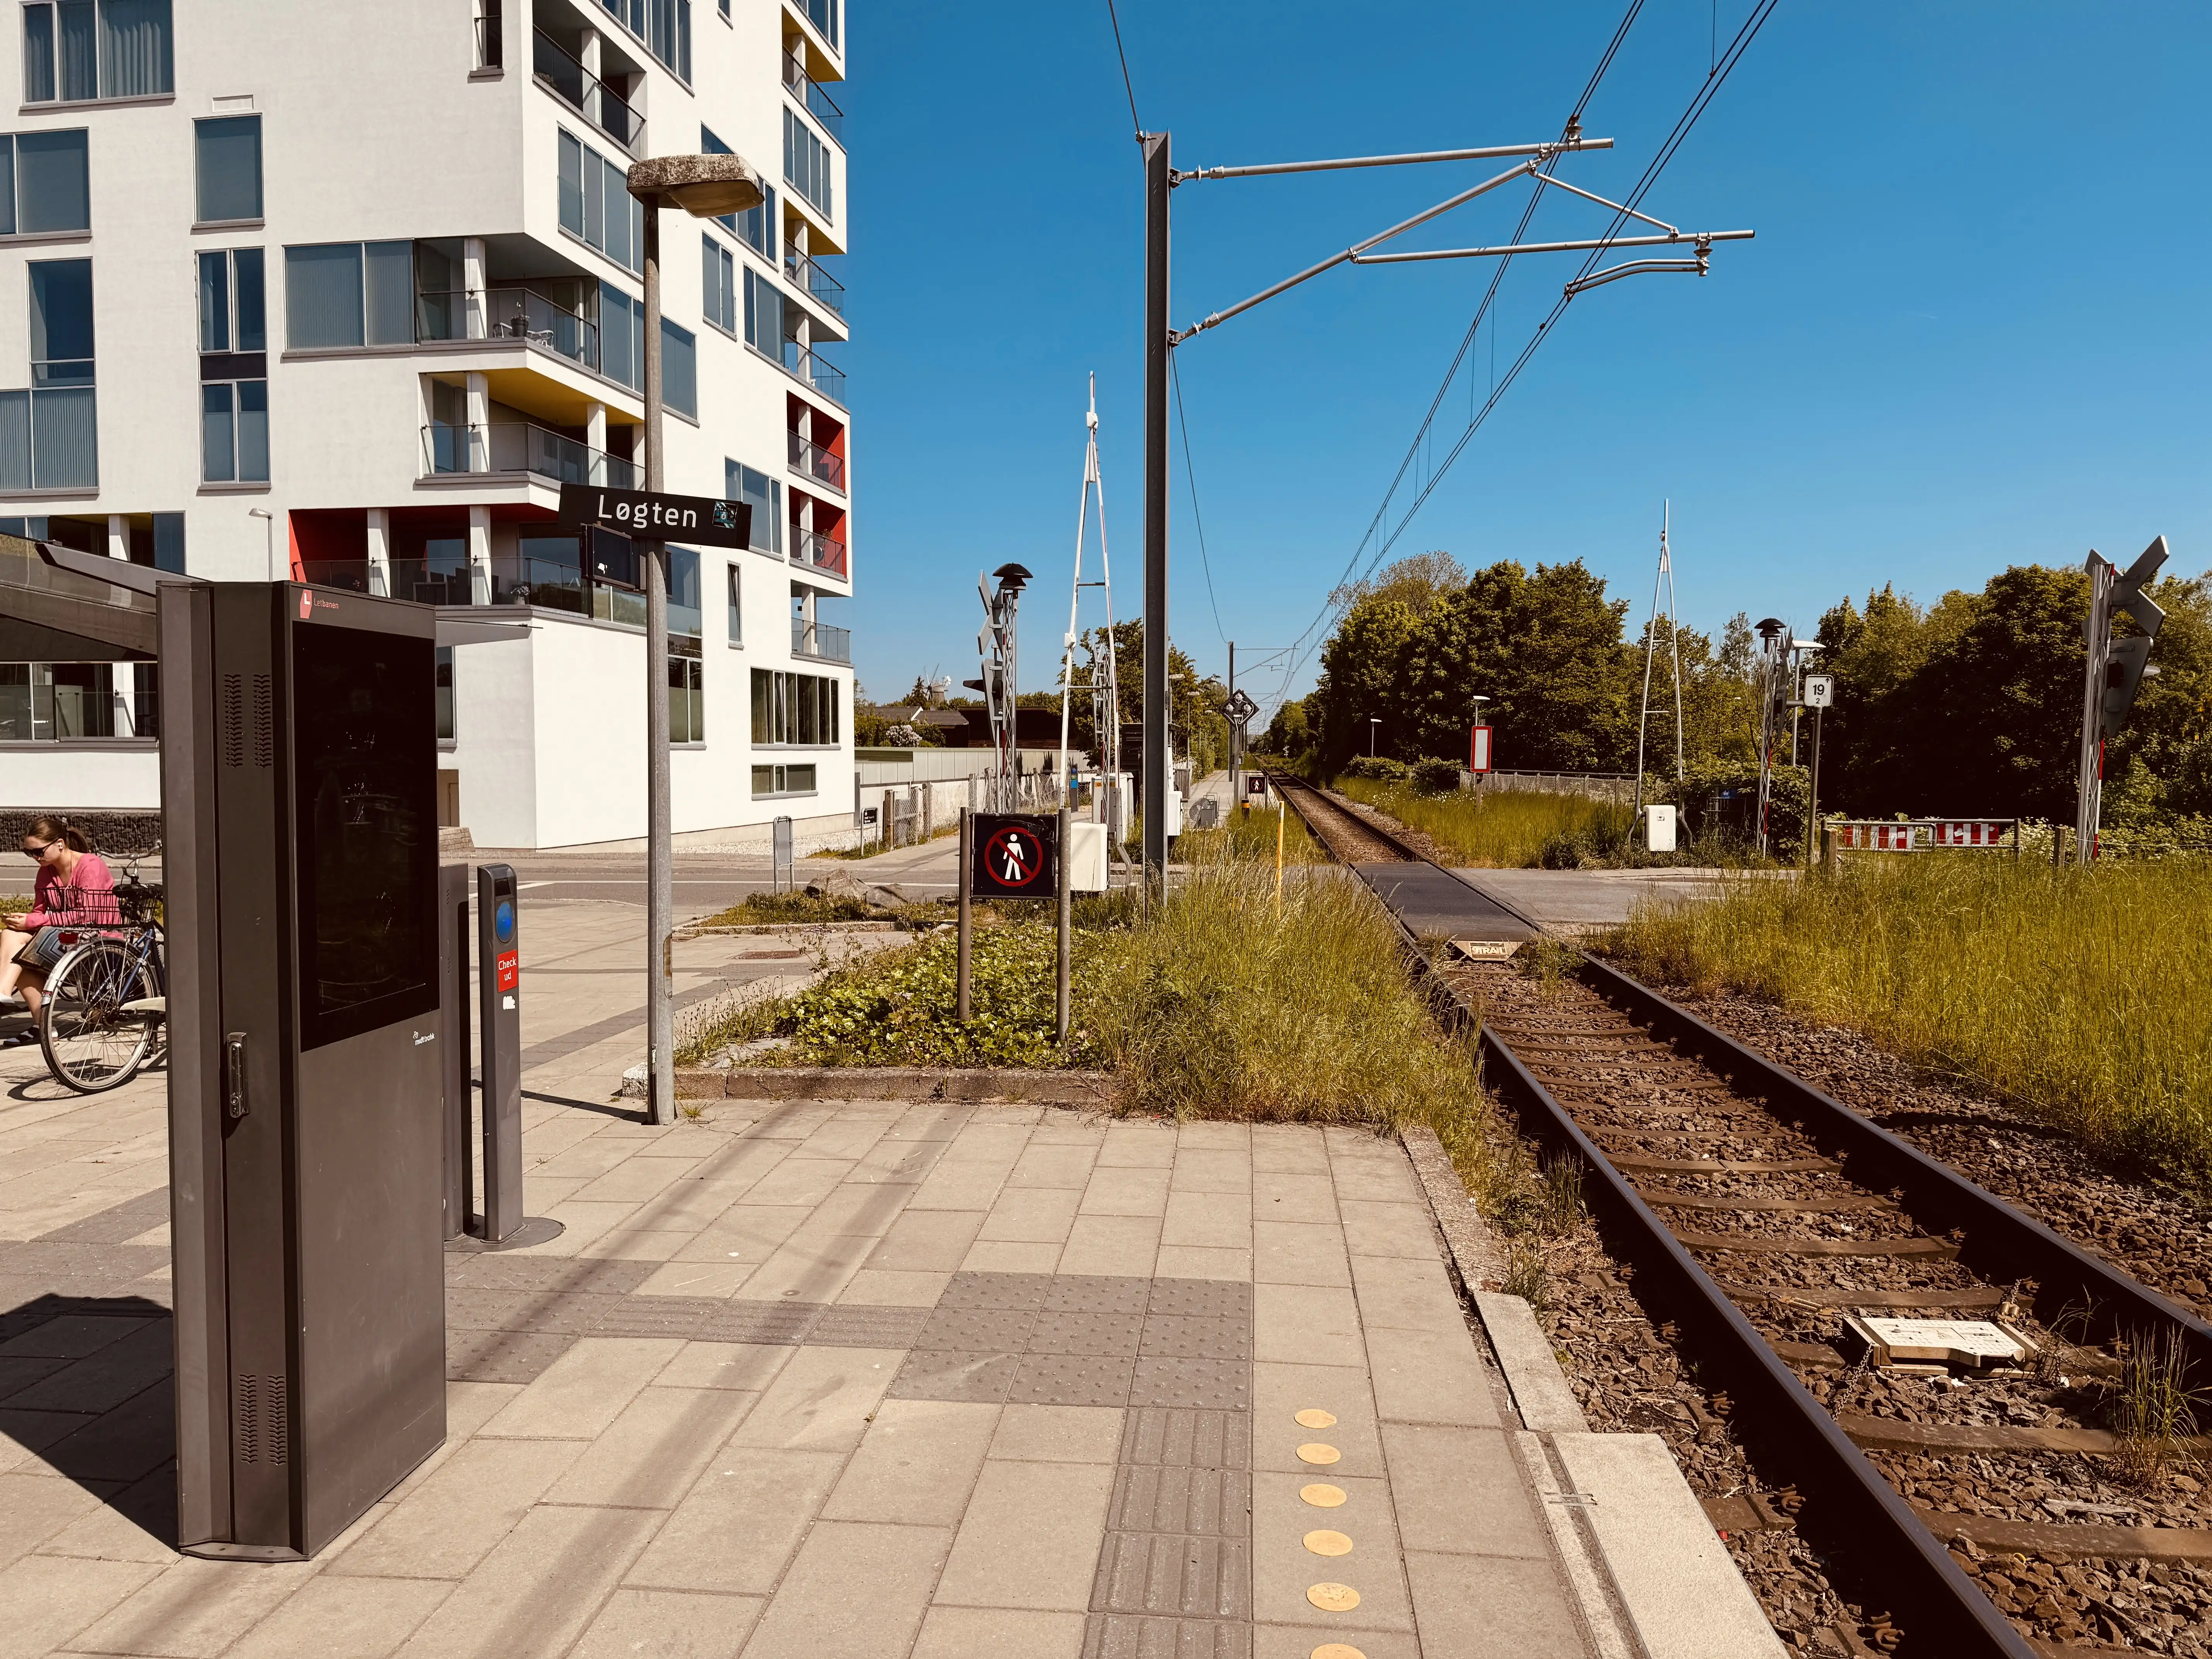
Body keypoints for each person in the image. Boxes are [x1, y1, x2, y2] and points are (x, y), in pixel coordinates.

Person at [0, 817, 120, 1045]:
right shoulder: (46, 872)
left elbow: (89, 915)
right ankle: (14, 1002)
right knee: (10, 937)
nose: (36, 857)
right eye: (29, 853)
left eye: (39, 851)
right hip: (63, 940)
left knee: (25, 948)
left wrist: (37, 921)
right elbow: (40, 913)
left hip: (99, 942)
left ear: (60, 844)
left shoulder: (90, 866)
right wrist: (23, 921)